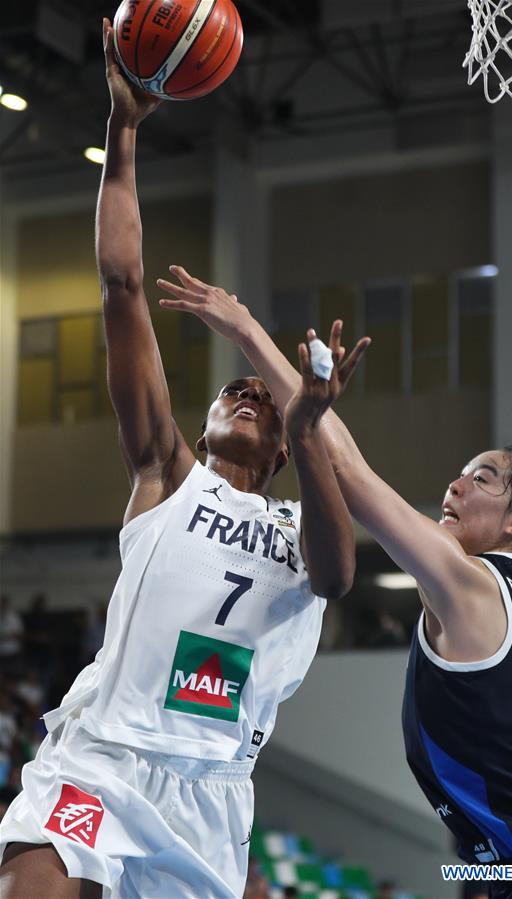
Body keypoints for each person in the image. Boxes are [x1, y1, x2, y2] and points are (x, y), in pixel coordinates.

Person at [0, 20, 366, 899]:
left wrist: (313, 423)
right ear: (201, 426)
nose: (246, 394)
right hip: (101, 761)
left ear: (285, 446)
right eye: (231, 391)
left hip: (209, 789)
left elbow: (339, 574)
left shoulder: (296, 521)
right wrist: (122, 130)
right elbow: (123, 286)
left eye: (264, 401)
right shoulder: (167, 476)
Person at [153, 277, 512, 897]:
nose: (456, 486)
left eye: (482, 479)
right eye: (460, 474)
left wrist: (248, 332)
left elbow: (348, 471)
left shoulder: (467, 580)